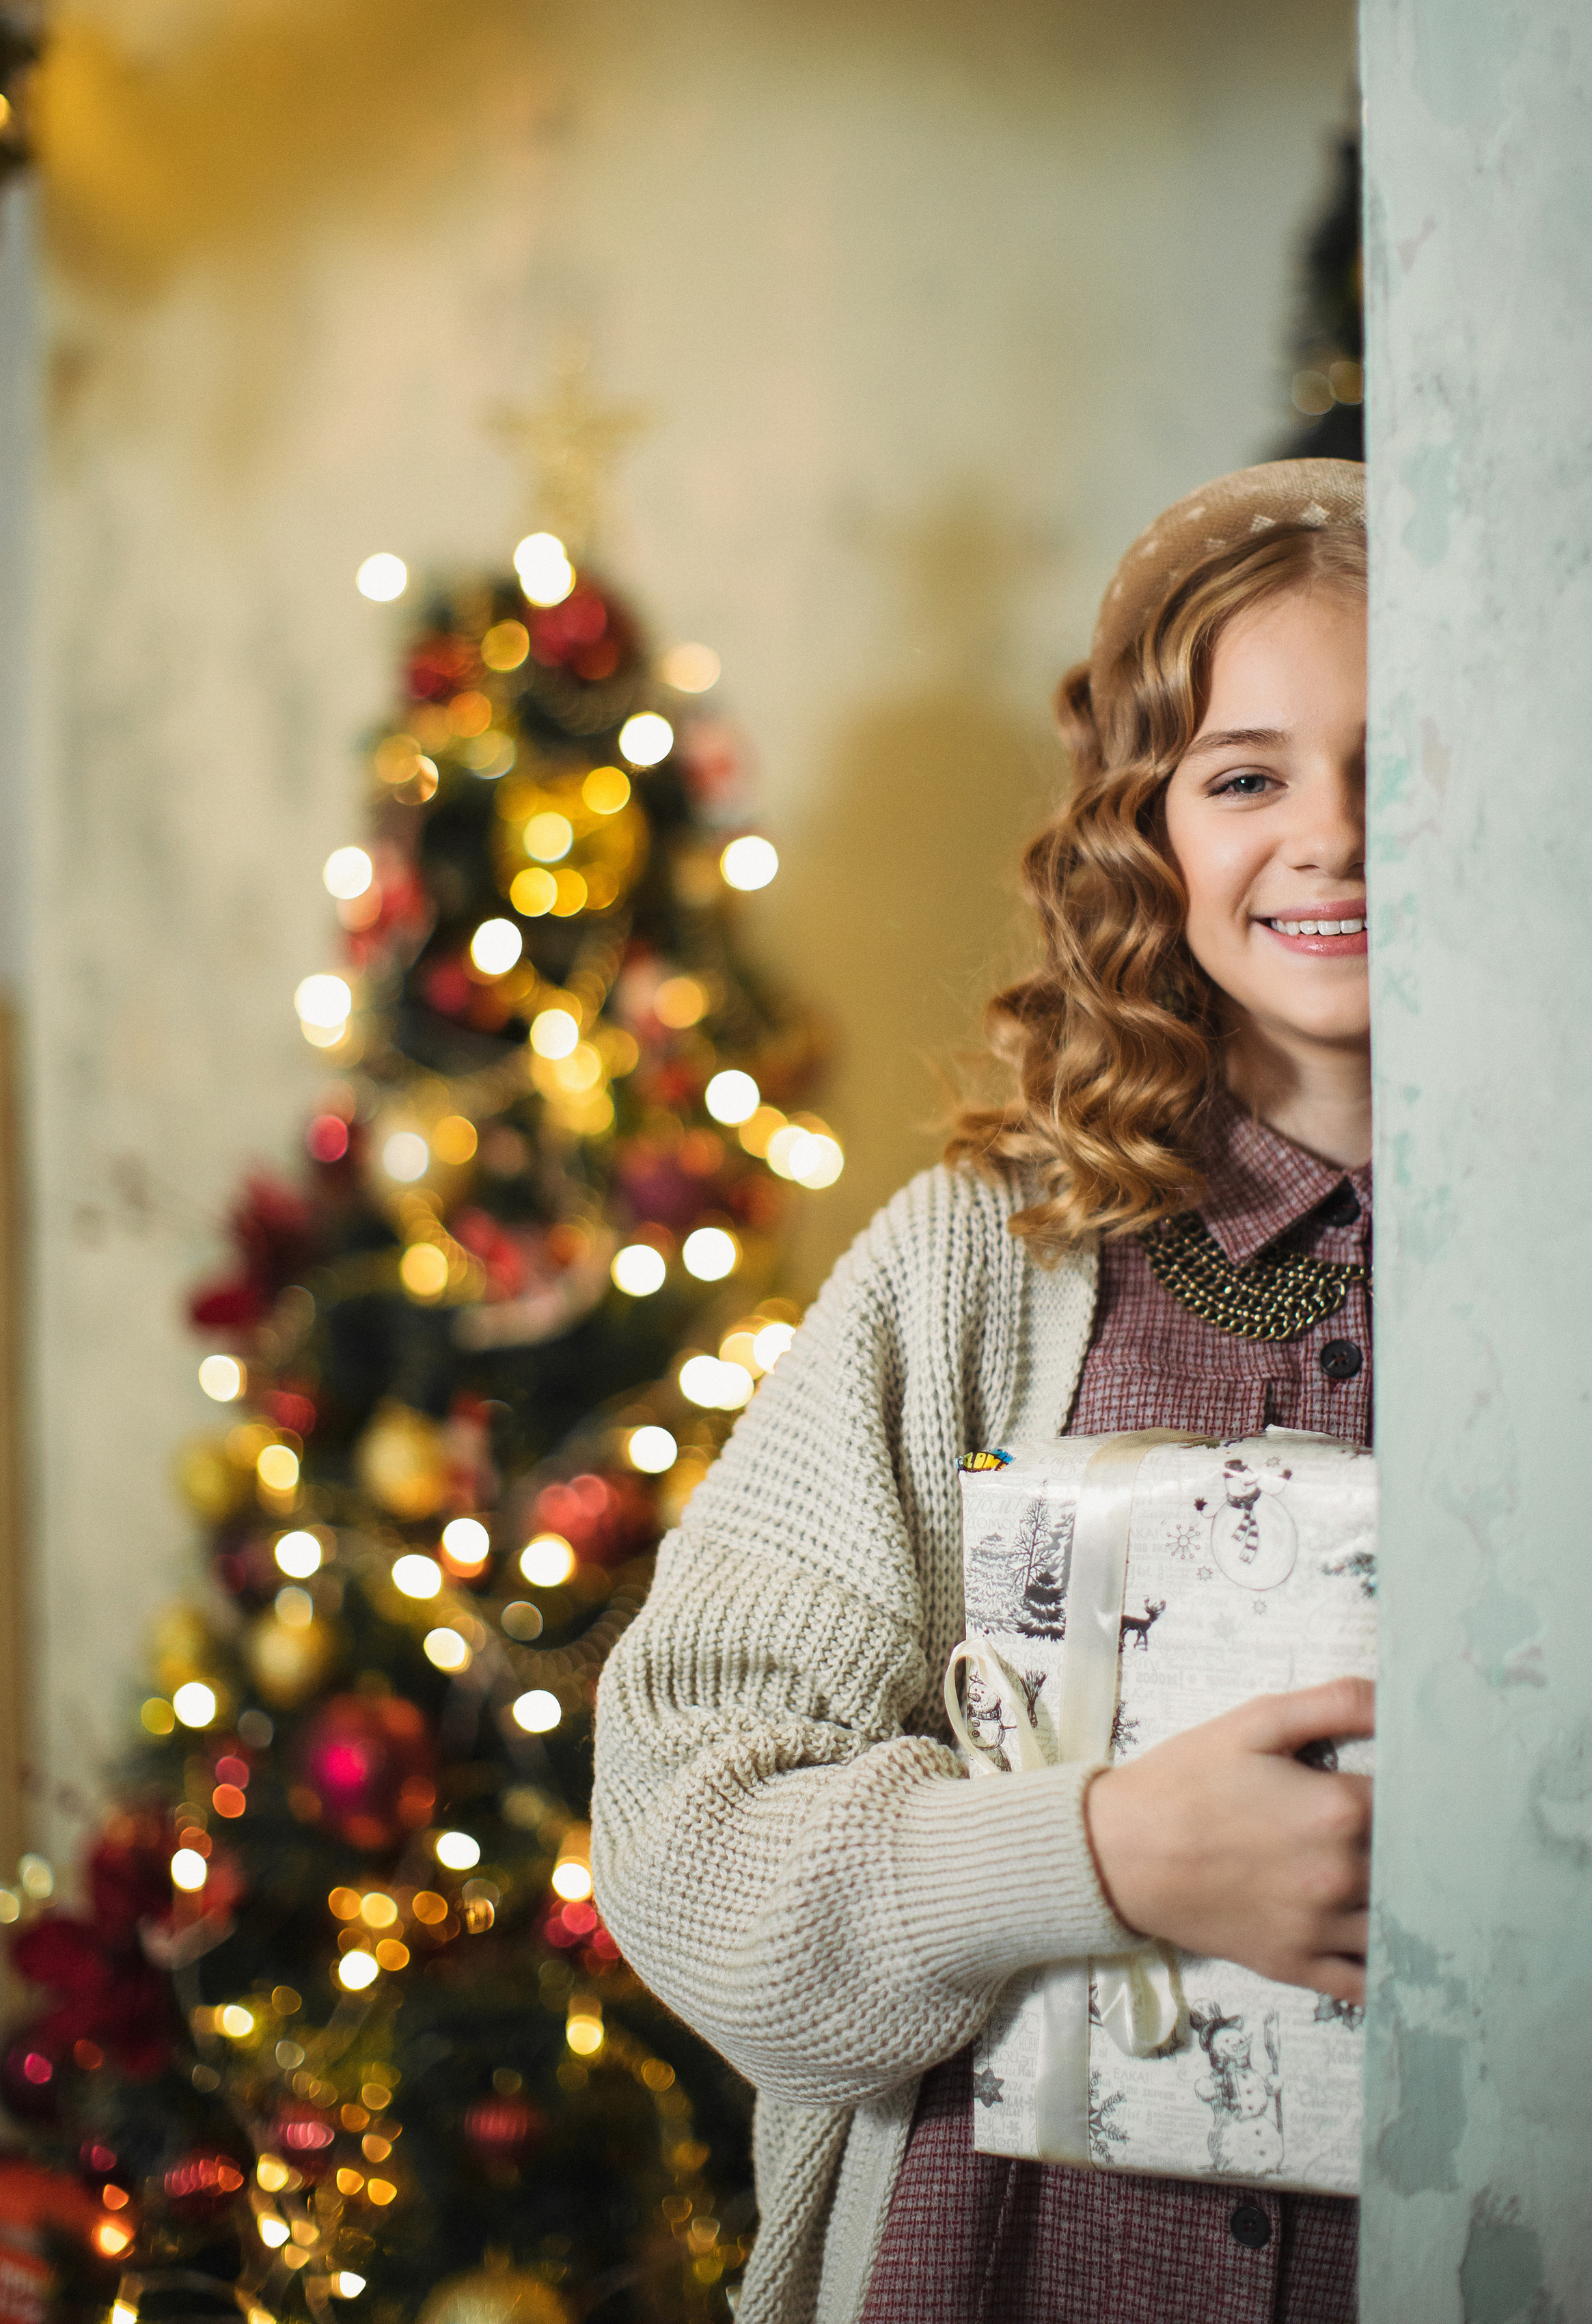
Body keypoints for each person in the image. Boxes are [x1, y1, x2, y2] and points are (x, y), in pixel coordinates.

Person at [594, 459, 1376, 2324]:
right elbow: (687, 1854)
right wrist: (1097, 1852)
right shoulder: (978, 1272)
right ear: (1144, 833)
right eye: (1246, 774)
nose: (1336, 836)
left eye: (1404, 761)